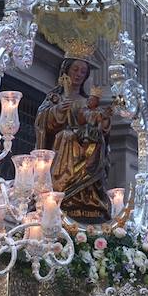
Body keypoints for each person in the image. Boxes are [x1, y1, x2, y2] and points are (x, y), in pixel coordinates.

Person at [34, 56, 112, 220]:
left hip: (87, 146)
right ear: (66, 70)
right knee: (67, 136)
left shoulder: (87, 102)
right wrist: (58, 110)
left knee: (97, 142)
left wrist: (103, 122)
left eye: (83, 72)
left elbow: (99, 124)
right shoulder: (55, 99)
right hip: (64, 146)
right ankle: (63, 189)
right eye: (75, 70)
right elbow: (42, 121)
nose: (78, 74)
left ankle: (89, 195)